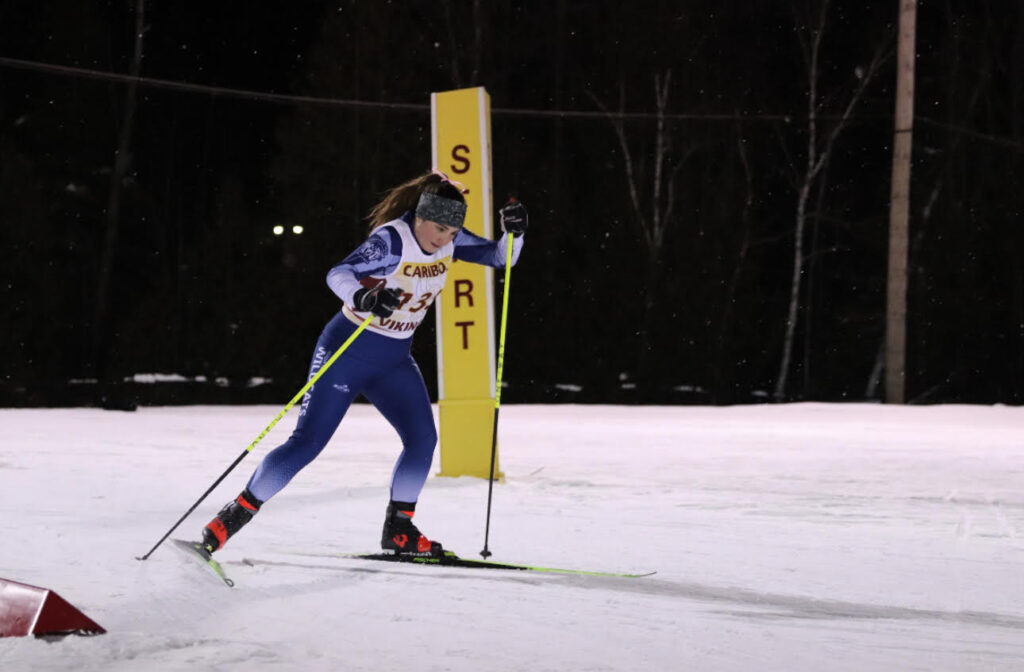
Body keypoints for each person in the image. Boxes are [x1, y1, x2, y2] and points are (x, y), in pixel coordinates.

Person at [198, 170, 528, 557]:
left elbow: (501, 258)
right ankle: (232, 517)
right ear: (421, 216)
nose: (445, 239)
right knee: (308, 443)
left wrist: (515, 234)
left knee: (422, 440)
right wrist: (364, 298)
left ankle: (399, 529)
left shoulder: (449, 238)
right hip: (347, 351)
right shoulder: (392, 240)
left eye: (453, 232)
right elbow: (338, 273)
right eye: (440, 229)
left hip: (393, 360)